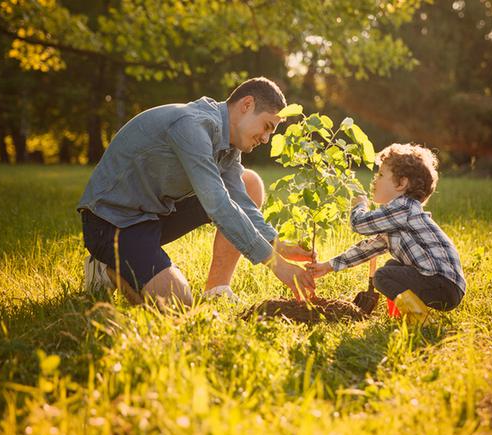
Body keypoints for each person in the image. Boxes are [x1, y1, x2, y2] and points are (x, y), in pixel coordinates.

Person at [78, 77, 316, 309]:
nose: (265, 138)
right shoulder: (192, 125)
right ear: (247, 105)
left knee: (249, 183)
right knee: (178, 304)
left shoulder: (229, 145)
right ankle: (108, 267)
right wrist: (277, 265)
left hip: (153, 214)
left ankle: (217, 290)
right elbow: (219, 205)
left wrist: (278, 245)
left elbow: (241, 202)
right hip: (112, 222)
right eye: (267, 127)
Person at [306, 143, 466, 319]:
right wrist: (327, 266)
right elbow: (367, 248)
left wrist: (360, 205)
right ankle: (401, 316)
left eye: (381, 175)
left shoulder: (403, 207)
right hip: (445, 285)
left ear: (401, 183)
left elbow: (360, 224)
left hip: (442, 283)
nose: (375, 180)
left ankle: (419, 319)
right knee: (391, 267)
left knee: (382, 276)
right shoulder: (398, 218)